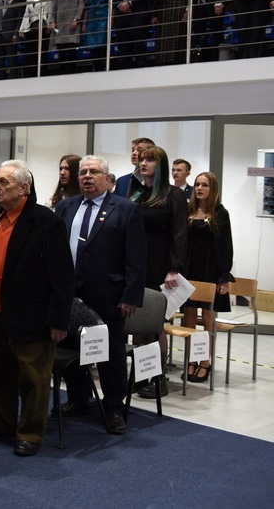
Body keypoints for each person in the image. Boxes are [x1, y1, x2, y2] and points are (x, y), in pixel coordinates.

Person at [0, 160, 73, 456]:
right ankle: (0, 422)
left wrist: (58, 320)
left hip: (31, 314)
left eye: (4, 183)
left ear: (24, 188)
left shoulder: (45, 221)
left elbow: (63, 276)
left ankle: (30, 433)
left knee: (33, 378)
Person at [55, 155, 146, 434]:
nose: (87, 176)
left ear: (107, 179)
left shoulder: (126, 209)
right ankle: (78, 399)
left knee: (111, 353)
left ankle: (114, 406)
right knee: (71, 346)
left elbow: (137, 257)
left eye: (94, 172)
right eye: (83, 172)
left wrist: (131, 295)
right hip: (70, 293)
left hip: (108, 293)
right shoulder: (65, 207)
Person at [130, 145, 187, 399]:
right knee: (138, 324)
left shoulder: (173, 195)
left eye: (150, 160)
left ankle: (158, 378)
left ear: (160, 164)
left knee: (154, 324)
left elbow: (179, 233)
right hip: (137, 263)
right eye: (142, 159)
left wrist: (174, 268)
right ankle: (143, 375)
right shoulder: (138, 193)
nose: (143, 163)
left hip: (159, 264)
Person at [180, 172, 234, 384]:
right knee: (189, 313)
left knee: (208, 316)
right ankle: (192, 358)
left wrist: (223, 275)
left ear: (212, 189)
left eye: (204, 185)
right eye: (197, 185)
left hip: (210, 267)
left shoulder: (220, 213)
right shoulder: (188, 211)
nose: (199, 188)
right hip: (189, 266)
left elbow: (225, 245)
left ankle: (205, 361)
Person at [17, 0, 55, 77]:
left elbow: (50, 11)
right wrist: (22, 29)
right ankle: (29, 76)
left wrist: (50, 24)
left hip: (43, 26)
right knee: (29, 54)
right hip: (31, 28)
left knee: (41, 53)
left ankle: (41, 75)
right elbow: (26, 13)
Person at [51, 0, 86, 73]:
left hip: (71, 19)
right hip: (60, 21)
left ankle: (71, 72)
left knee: (71, 47)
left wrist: (76, 18)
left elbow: (81, 3)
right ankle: (62, 73)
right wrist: (52, 20)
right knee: (61, 48)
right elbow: (54, 6)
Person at [81, 0, 115, 71]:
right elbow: (87, 7)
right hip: (91, 21)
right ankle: (96, 68)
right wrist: (84, 23)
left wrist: (112, 19)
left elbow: (112, 5)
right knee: (93, 47)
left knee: (103, 45)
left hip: (103, 19)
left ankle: (105, 68)